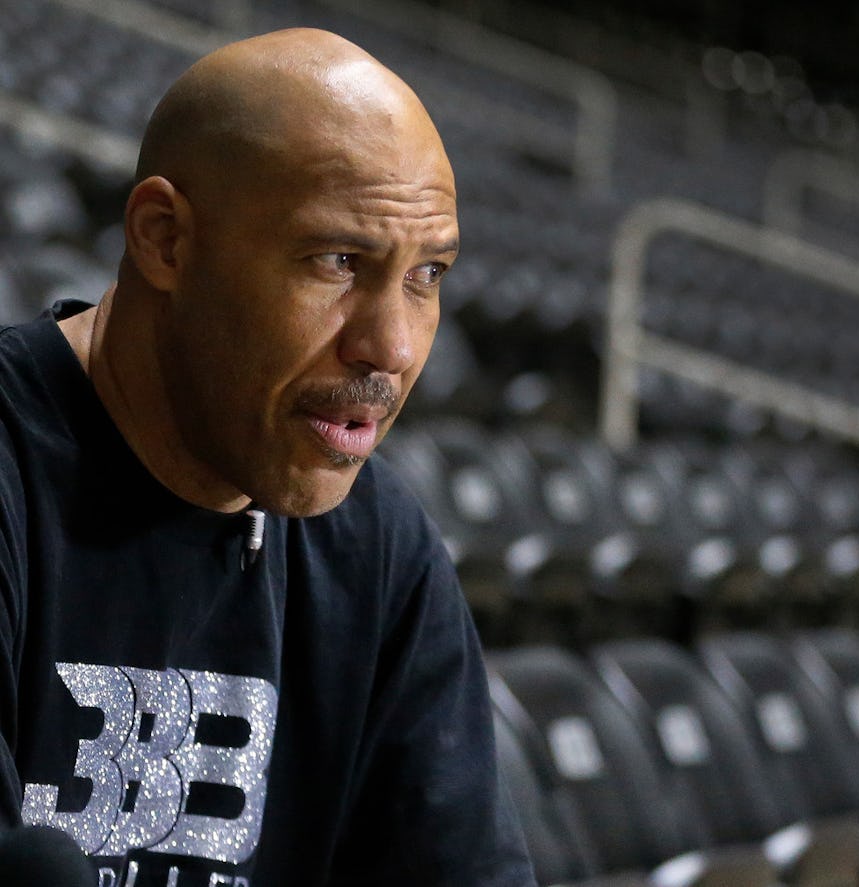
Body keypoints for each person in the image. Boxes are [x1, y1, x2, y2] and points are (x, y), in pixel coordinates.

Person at [0, 27, 537, 886]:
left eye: (427, 275)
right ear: (165, 239)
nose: (392, 347)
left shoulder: (381, 547)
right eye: (338, 260)